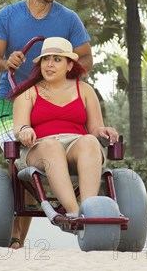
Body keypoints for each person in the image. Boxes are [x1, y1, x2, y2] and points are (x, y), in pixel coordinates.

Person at [0, 0, 93, 248]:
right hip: (12, 102)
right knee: (22, 161)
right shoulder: (7, 16)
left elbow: (86, 59)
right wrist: (7, 60)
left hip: (55, 101)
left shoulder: (69, 19)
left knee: (54, 154)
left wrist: (60, 73)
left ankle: (88, 215)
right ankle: (16, 236)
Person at [12, 37, 119, 217]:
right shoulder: (28, 93)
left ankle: (89, 211)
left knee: (91, 141)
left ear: (69, 65)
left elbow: (95, 128)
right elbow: (18, 127)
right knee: (52, 146)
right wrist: (24, 130)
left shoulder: (84, 90)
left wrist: (103, 131)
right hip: (39, 148)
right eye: (45, 59)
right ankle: (74, 213)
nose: (49, 64)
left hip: (75, 146)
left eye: (57, 59)